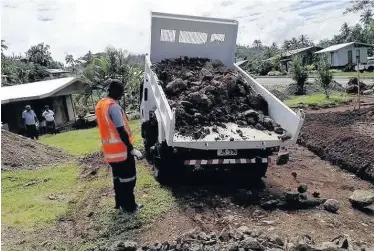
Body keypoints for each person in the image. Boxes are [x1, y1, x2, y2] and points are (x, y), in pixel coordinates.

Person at [95, 79, 143, 213]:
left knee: (118, 179)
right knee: (128, 179)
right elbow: (121, 130)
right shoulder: (113, 106)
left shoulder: (101, 105)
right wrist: (131, 149)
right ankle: (130, 207)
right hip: (121, 151)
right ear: (113, 90)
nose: (122, 94)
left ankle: (120, 204)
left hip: (110, 153)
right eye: (121, 91)